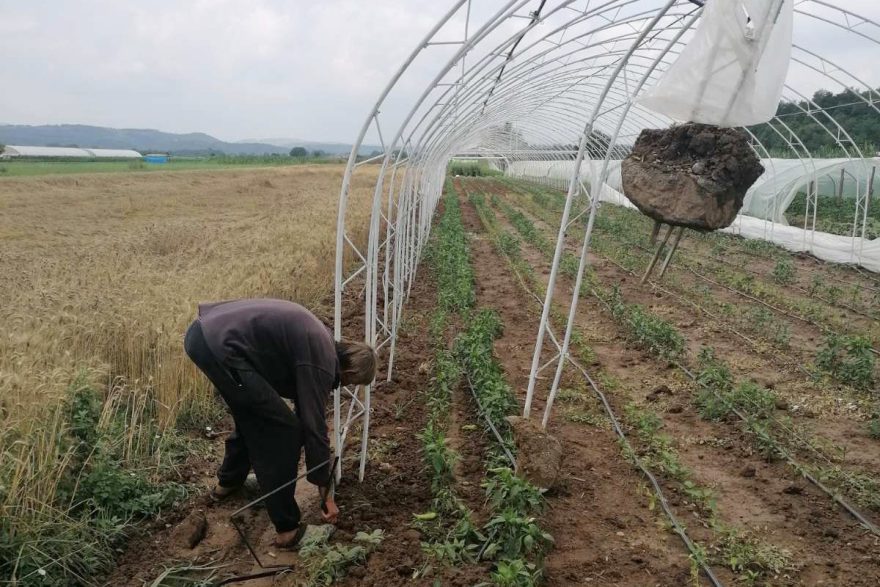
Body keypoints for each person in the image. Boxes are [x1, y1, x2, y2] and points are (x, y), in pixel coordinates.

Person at [183, 298, 377, 548]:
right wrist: (325, 492)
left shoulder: (320, 341)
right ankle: (287, 529)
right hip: (219, 346)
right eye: (351, 383)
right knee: (284, 432)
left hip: (208, 335)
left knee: (253, 414)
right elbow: (313, 426)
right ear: (350, 373)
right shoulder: (322, 361)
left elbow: (304, 407)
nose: (345, 387)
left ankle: (228, 483)